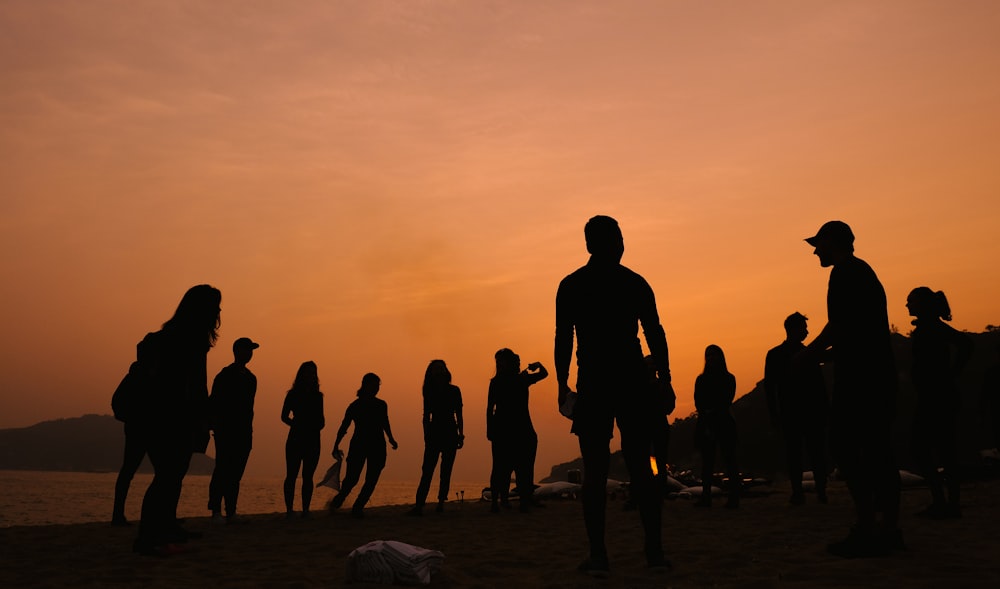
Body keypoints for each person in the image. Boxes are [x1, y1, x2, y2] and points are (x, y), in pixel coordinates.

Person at [555, 215, 674, 575]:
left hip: (600, 382)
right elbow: (655, 333)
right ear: (602, 244)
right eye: (617, 239)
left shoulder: (574, 284)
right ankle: (650, 552)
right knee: (637, 466)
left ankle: (601, 556)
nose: (621, 245)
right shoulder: (632, 283)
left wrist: (562, 385)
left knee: (598, 470)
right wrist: (665, 379)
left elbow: (564, 339)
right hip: (626, 381)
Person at [800, 220, 901, 558]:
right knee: (877, 451)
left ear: (833, 242)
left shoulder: (845, 273)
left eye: (819, 244)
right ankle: (886, 528)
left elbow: (840, 324)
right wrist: (828, 354)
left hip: (861, 379)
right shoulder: (862, 272)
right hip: (875, 373)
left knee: (845, 447)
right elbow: (858, 330)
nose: (815, 251)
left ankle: (870, 527)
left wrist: (810, 353)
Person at [132, 284, 221, 556]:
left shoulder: (167, 336)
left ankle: (162, 531)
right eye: (215, 306)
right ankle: (148, 539)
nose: (218, 311)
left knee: (169, 476)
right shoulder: (191, 341)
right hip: (174, 418)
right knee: (168, 478)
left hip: (155, 417)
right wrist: (204, 421)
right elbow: (196, 386)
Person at [906, 287, 972, 518]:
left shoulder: (933, 327)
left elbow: (965, 344)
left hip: (937, 398)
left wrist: (953, 373)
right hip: (934, 396)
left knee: (931, 450)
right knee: (939, 450)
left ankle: (947, 503)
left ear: (921, 304)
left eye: (911, 301)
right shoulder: (928, 327)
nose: (907, 306)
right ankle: (946, 503)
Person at [765, 312, 830, 505]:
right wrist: (774, 413)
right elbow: (770, 387)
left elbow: (819, 384)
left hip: (808, 411)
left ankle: (817, 490)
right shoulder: (777, 355)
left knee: (812, 452)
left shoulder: (804, 352)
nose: (806, 331)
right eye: (802, 328)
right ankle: (801, 491)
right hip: (793, 411)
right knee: (798, 453)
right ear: (792, 330)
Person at [486, 348, 548, 513]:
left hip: (520, 429)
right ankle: (501, 501)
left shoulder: (521, 378)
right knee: (502, 468)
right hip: (505, 429)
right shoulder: (500, 381)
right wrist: (490, 429)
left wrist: (538, 365)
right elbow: (490, 407)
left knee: (520, 468)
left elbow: (544, 374)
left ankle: (520, 502)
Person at [329, 373, 398, 518]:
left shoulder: (381, 405)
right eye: (373, 384)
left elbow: (385, 423)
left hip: (378, 445)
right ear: (365, 385)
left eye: (378, 385)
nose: (376, 388)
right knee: (352, 478)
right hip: (359, 445)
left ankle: (358, 507)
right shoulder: (355, 406)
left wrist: (391, 439)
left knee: (372, 478)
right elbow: (344, 426)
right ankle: (338, 501)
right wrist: (336, 444)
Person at [207, 337, 259, 523]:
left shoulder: (251, 378)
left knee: (236, 473)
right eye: (247, 350)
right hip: (226, 431)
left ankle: (231, 510)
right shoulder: (225, 375)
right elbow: (213, 403)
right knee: (222, 469)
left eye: (251, 350)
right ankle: (215, 510)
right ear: (237, 351)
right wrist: (215, 426)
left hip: (244, 432)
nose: (250, 353)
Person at [407, 359, 464, 516]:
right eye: (436, 369)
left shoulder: (455, 390)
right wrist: (426, 434)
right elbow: (426, 415)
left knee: (446, 470)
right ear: (431, 373)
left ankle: (440, 502)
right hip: (434, 432)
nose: (439, 371)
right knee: (427, 469)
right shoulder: (429, 391)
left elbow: (458, 414)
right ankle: (419, 504)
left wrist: (461, 434)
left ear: (446, 371)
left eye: (441, 368)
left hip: (450, 432)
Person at [693, 345, 741, 509]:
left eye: (714, 355)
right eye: (708, 355)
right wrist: (706, 416)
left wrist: (712, 412)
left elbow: (727, 400)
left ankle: (734, 498)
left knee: (730, 461)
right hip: (706, 423)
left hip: (723, 422)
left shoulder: (729, 378)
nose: (711, 358)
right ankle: (706, 498)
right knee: (707, 464)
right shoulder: (701, 379)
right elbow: (698, 402)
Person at [280, 361, 325, 519]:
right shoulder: (292, 395)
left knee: (308, 476)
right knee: (291, 475)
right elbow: (284, 416)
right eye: (307, 372)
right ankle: (290, 510)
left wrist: (314, 426)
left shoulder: (318, 397)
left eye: (313, 373)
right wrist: (297, 424)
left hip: (312, 439)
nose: (310, 376)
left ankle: (306, 510)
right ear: (301, 374)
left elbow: (322, 421)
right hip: (296, 438)